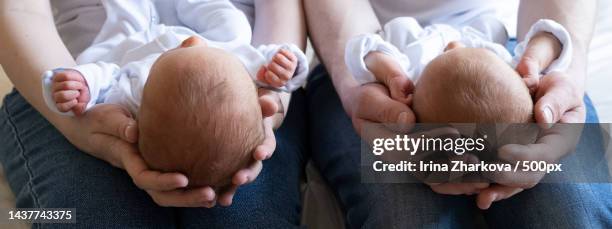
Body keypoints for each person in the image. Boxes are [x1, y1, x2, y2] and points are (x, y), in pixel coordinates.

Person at [305, 0, 612, 228]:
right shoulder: (491, 54)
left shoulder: (503, 57)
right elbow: (360, 49)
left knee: (572, 213)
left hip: (488, 55)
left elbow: (365, 52)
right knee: (403, 218)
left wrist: (559, 66)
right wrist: (362, 75)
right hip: (360, 53)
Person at [0, 0, 307, 227]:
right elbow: (19, 9)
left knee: (244, 220)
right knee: (90, 217)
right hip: (69, 79)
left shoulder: (234, 46)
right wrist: (75, 110)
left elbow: (279, 22)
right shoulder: (120, 82)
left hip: (236, 92)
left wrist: (273, 88)